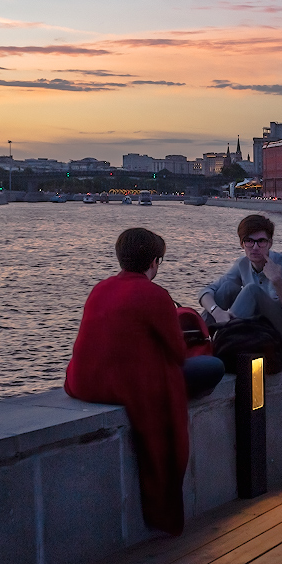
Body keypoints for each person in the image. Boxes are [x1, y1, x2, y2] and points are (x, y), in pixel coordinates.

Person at [65, 228, 224, 536]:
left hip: (84, 381)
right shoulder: (156, 295)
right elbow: (177, 354)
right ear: (154, 262)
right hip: (128, 385)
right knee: (213, 365)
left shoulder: (99, 289)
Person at [200, 214, 282, 364]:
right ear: (242, 244)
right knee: (227, 288)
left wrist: (278, 282)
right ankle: (195, 344)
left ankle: (223, 343)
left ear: (270, 243)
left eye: (261, 241)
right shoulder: (242, 264)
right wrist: (217, 312)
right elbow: (206, 292)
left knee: (252, 291)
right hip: (264, 338)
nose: (255, 247)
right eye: (249, 241)